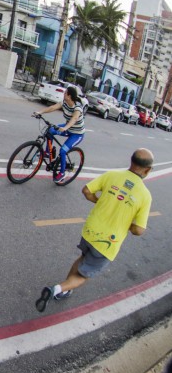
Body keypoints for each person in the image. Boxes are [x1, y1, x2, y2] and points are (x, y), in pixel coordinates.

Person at [35, 149, 154, 312]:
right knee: (84, 275)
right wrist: (128, 224)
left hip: (90, 230)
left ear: (131, 160)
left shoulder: (112, 175)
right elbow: (139, 230)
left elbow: (86, 191)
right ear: (147, 170)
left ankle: (66, 289)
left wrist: (99, 202)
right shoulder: (145, 195)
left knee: (84, 257)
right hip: (107, 242)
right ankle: (56, 289)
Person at [33, 86, 86, 183]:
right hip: (67, 128)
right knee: (50, 131)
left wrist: (65, 128)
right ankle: (48, 152)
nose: (64, 94)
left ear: (69, 96)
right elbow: (52, 107)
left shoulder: (78, 107)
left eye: (65, 93)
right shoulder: (64, 103)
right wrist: (40, 112)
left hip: (77, 134)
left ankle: (62, 173)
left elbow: (74, 119)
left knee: (62, 151)